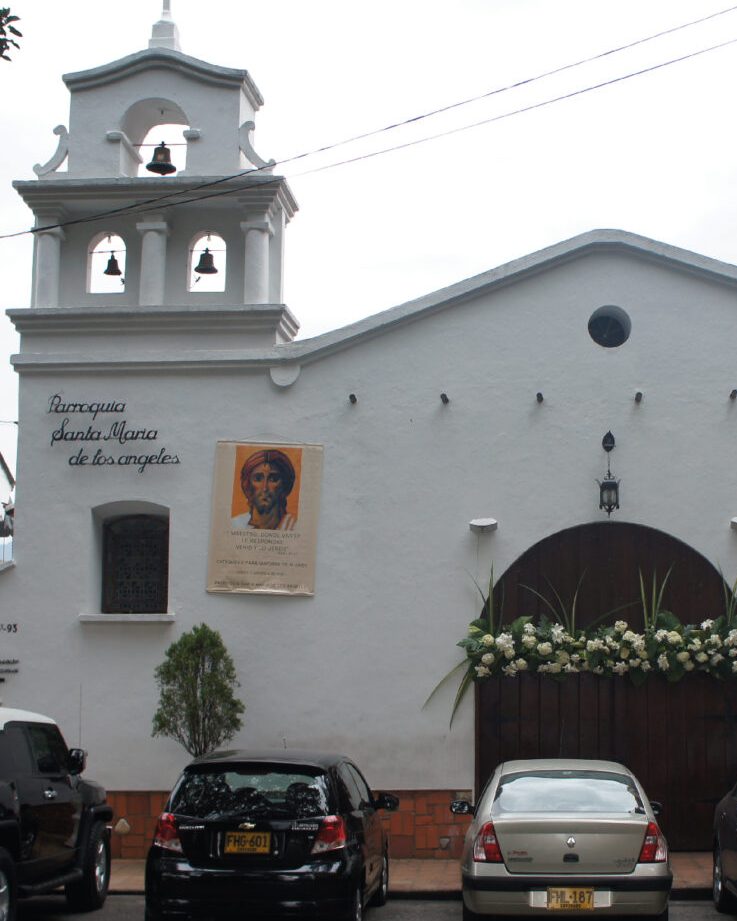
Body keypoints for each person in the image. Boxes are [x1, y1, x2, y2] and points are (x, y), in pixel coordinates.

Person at [231, 449, 297, 530]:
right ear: (248, 484)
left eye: (273, 479)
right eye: (258, 479)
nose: (265, 488)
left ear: (284, 485)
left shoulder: (294, 527)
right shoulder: (234, 526)